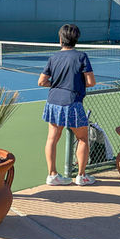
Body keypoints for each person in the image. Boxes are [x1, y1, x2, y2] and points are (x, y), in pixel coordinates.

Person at [38, 24, 97, 186]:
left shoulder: (53, 57)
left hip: (53, 101)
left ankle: (52, 175)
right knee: (83, 138)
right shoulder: (81, 56)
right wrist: (73, 84)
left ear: (60, 39)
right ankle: (81, 176)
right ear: (76, 39)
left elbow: (42, 81)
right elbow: (91, 82)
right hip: (73, 102)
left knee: (52, 139)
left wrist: (58, 84)